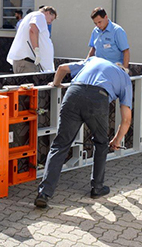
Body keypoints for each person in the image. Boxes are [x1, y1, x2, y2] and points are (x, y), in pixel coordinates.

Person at [35, 56, 132, 208]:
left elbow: (61, 68)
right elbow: (126, 119)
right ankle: (97, 188)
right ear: (124, 70)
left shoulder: (93, 60)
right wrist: (117, 140)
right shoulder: (125, 78)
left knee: (60, 145)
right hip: (98, 99)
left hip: (73, 93)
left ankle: (44, 193)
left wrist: (56, 84)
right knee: (101, 143)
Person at [7, 6, 56, 73]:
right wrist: (37, 51)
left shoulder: (31, 16)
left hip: (25, 62)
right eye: (51, 19)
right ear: (48, 13)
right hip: (28, 63)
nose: (50, 23)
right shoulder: (40, 15)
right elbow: (33, 30)